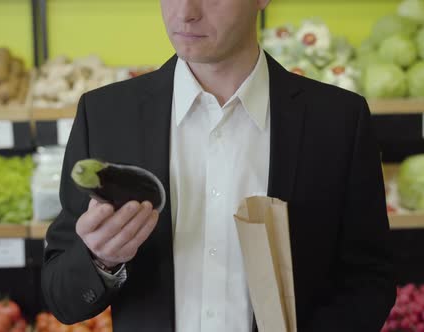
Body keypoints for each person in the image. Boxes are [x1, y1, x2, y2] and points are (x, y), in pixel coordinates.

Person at [41, 0, 396, 331]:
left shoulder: (339, 120)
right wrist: (99, 260)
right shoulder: (105, 115)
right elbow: (63, 298)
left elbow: (369, 281)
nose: (185, 12)